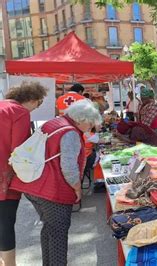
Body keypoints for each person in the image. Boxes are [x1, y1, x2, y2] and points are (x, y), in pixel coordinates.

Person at [9, 99, 102, 266]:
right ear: (81, 119)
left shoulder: (55, 122)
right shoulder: (70, 133)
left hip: (32, 185)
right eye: (90, 123)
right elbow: (69, 168)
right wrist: (77, 189)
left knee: (49, 229)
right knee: (58, 233)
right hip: (50, 189)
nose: (91, 127)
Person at [0, 82, 47, 266]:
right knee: (5, 222)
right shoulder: (19, 112)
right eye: (38, 104)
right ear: (33, 99)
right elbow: (20, 151)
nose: (36, 108)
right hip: (5, 176)